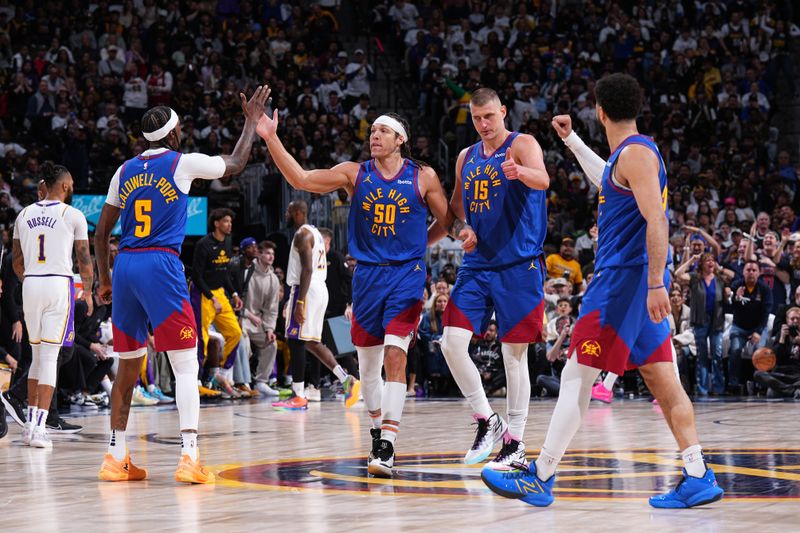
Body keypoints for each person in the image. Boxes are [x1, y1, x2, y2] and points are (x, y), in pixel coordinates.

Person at [482, 73, 724, 508]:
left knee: (577, 372)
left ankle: (541, 474)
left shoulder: (635, 156)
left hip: (623, 283)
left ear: (600, 109)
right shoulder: (629, 157)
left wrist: (654, 283)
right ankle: (697, 473)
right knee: (663, 380)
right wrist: (572, 141)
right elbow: (608, 179)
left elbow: (658, 220)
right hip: (630, 282)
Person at [256, 109, 476, 477]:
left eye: (383, 130)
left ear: (400, 139)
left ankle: (388, 444)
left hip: (406, 276)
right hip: (367, 277)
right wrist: (270, 137)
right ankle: (377, 433)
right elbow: (302, 178)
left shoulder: (422, 176)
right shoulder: (355, 173)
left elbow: (447, 220)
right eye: (372, 130)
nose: (374, 135)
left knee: (395, 354)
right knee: (369, 368)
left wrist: (462, 232)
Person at [94, 85, 271, 483]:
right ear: (174, 135)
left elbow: (102, 231)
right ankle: (189, 457)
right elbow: (237, 162)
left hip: (125, 266)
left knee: (127, 366)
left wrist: (104, 280)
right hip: (160, 264)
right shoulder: (182, 163)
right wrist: (249, 122)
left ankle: (115, 455)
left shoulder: (123, 171)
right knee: (185, 365)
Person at [427, 87, 549, 469]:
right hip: (478, 266)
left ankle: (515, 441)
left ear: (503, 112)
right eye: (476, 118)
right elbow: (456, 213)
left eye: (489, 117)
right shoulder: (466, 157)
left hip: (519, 264)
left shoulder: (522, 143)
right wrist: (463, 231)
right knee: (450, 342)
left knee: (514, 357)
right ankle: (486, 419)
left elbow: (543, 180)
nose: (482, 124)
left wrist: (521, 171)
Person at [11, 162, 93, 448]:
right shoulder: (73, 215)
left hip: (31, 283)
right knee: (49, 358)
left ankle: (30, 425)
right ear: (67, 186)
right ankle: (40, 429)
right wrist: (90, 291)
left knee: (36, 356)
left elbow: (16, 261)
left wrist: (29, 279)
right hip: (58, 284)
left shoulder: (23, 214)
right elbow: (84, 258)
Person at [271, 200, 361, 410]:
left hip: (306, 288)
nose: (286, 213)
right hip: (320, 289)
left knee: (295, 340)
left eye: (289, 210)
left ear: (297, 212)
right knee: (311, 341)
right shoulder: (317, 234)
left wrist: (299, 301)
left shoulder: (303, 234)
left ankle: (298, 395)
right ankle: (346, 379)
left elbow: (307, 269)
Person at [191, 208, 243, 397]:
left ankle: (219, 374)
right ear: (216, 223)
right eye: (226, 221)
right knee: (201, 339)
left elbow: (223, 272)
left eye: (230, 221)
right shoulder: (203, 245)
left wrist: (234, 293)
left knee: (235, 333)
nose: (229, 225)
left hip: (219, 292)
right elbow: (196, 276)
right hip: (202, 294)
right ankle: (196, 381)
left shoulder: (227, 242)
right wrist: (212, 298)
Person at [246, 240, 281, 396]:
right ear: (259, 254)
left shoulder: (273, 279)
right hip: (243, 318)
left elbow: (272, 309)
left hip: (259, 322)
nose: (270, 256)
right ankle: (243, 382)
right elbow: (237, 300)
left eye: (272, 254)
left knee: (271, 344)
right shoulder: (247, 272)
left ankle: (261, 381)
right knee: (243, 343)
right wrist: (248, 315)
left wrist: (269, 329)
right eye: (267, 253)